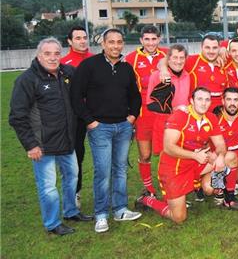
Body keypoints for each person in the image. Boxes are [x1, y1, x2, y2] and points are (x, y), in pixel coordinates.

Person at [10, 37, 92, 236]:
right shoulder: (27, 80)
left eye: (56, 53)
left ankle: (71, 211)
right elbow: (17, 116)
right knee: (48, 187)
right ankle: (53, 224)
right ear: (39, 55)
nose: (53, 58)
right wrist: (31, 145)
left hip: (67, 141)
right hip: (42, 146)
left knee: (72, 178)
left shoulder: (68, 73)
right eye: (47, 54)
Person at [71, 28, 142, 233]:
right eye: (111, 42)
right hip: (99, 128)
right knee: (102, 172)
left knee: (120, 169)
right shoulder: (89, 66)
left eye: (119, 42)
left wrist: (132, 117)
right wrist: (90, 121)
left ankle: (120, 209)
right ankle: (101, 214)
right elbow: (76, 96)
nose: (115, 46)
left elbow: (135, 96)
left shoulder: (126, 68)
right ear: (103, 44)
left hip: (123, 126)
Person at [137, 87, 227, 223]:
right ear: (192, 101)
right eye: (200, 99)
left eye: (207, 100)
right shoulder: (180, 116)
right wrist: (195, 156)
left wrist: (219, 157)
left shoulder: (211, 118)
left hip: (196, 162)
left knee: (229, 158)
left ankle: (212, 189)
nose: (204, 103)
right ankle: (147, 199)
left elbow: (220, 144)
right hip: (174, 167)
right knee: (178, 217)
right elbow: (168, 147)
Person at [124, 25, 168, 201]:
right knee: (145, 154)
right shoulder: (131, 59)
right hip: (143, 114)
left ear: (159, 39)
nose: (151, 42)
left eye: (154, 39)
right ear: (141, 40)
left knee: (168, 152)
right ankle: (148, 188)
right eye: (147, 39)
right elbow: (127, 89)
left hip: (165, 113)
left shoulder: (167, 54)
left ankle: (168, 185)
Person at [61, 26, 94, 208]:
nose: (82, 41)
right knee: (76, 155)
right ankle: (76, 191)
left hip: (98, 114)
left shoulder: (97, 59)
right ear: (70, 41)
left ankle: (107, 191)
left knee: (104, 156)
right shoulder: (64, 63)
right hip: (75, 117)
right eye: (78, 38)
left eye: (84, 37)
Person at [146, 44, 190, 156]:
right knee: (164, 160)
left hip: (184, 124)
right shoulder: (158, 76)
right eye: (175, 57)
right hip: (164, 124)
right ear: (168, 59)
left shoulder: (187, 75)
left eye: (181, 58)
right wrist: (174, 109)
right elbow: (151, 105)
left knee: (182, 160)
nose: (178, 61)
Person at [185, 35, 228, 110]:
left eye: (214, 48)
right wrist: (164, 69)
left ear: (219, 48)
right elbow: (169, 60)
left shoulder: (225, 62)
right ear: (201, 47)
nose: (211, 51)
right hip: (198, 112)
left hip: (220, 113)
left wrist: (224, 47)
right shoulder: (191, 61)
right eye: (207, 48)